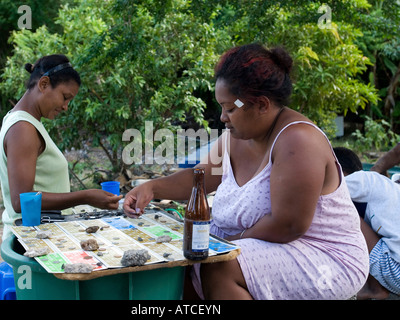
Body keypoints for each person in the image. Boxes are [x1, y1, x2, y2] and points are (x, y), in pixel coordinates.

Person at [123, 43, 369, 300]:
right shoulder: (237, 136)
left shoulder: (298, 141)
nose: (222, 117)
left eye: (230, 109)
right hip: (257, 244)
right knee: (180, 262)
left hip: (324, 257)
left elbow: (288, 225)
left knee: (218, 263)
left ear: (262, 105)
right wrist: (151, 187)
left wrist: (224, 243)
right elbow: (200, 179)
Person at [0, 54, 122, 240]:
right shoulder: (23, 128)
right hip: (31, 239)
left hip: (42, 232)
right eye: (65, 97)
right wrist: (85, 196)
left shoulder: (25, 122)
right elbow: (21, 201)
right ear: (44, 84)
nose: (65, 107)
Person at [334, 147, 400, 299]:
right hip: (395, 273)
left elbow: (324, 195)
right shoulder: (390, 189)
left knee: (343, 210)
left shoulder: (365, 180)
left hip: (395, 272)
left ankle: (372, 288)